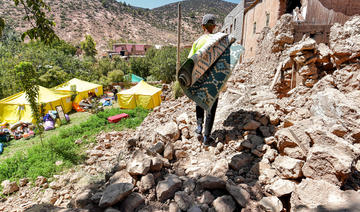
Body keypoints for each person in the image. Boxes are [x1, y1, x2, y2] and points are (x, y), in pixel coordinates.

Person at [188, 14, 219, 145]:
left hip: (199, 76)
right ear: (214, 26)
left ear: (202, 26)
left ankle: (199, 127)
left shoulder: (197, 42)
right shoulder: (219, 40)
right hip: (214, 77)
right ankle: (207, 137)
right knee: (211, 106)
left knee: (199, 101)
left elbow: (190, 60)